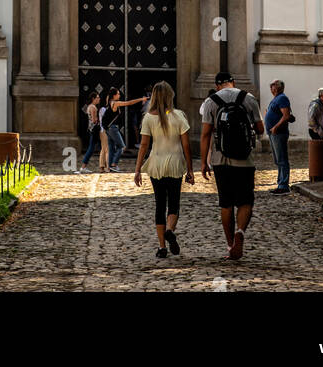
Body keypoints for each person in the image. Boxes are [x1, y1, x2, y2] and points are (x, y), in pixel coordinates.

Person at [200, 71, 265, 261]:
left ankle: (230, 245)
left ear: (218, 85)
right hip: (244, 159)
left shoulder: (211, 102)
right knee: (246, 201)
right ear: (233, 83)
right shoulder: (248, 98)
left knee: (226, 203)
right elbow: (260, 129)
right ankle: (241, 233)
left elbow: (205, 134)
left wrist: (204, 162)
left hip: (221, 160)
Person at [134, 81, 194, 260]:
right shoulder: (179, 116)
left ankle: (162, 247)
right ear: (170, 96)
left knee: (160, 204)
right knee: (174, 203)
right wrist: (190, 169)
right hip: (175, 163)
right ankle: (170, 230)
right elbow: (186, 145)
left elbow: (144, 145)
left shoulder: (148, 118)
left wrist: (137, 169)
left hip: (156, 164)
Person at [102, 87, 148, 171]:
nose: (119, 95)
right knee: (121, 147)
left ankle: (110, 166)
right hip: (113, 128)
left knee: (111, 147)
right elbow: (129, 103)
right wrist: (141, 99)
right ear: (114, 95)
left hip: (108, 128)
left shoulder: (109, 102)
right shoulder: (115, 103)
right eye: (118, 94)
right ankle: (114, 164)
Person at [264, 79, 292, 193]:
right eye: (271, 86)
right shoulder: (276, 99)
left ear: (280, 87)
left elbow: (286, 116)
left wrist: (275, 127)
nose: (271, 88)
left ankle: (283, 185)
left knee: (282, 159)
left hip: (278, 133)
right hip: (273, 133)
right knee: (278, 159)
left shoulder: (282, 98)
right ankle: (280, 183)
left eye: (274, 86)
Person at [77, 92, 102, 172]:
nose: (99, 99)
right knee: (91, 148)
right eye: (97, 98)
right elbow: (94, 120)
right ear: (93, 99)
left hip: (91, 129)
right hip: (94, 129)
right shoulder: (93, 108)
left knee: (92, 147)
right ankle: (83, 166)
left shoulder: (89, 107)